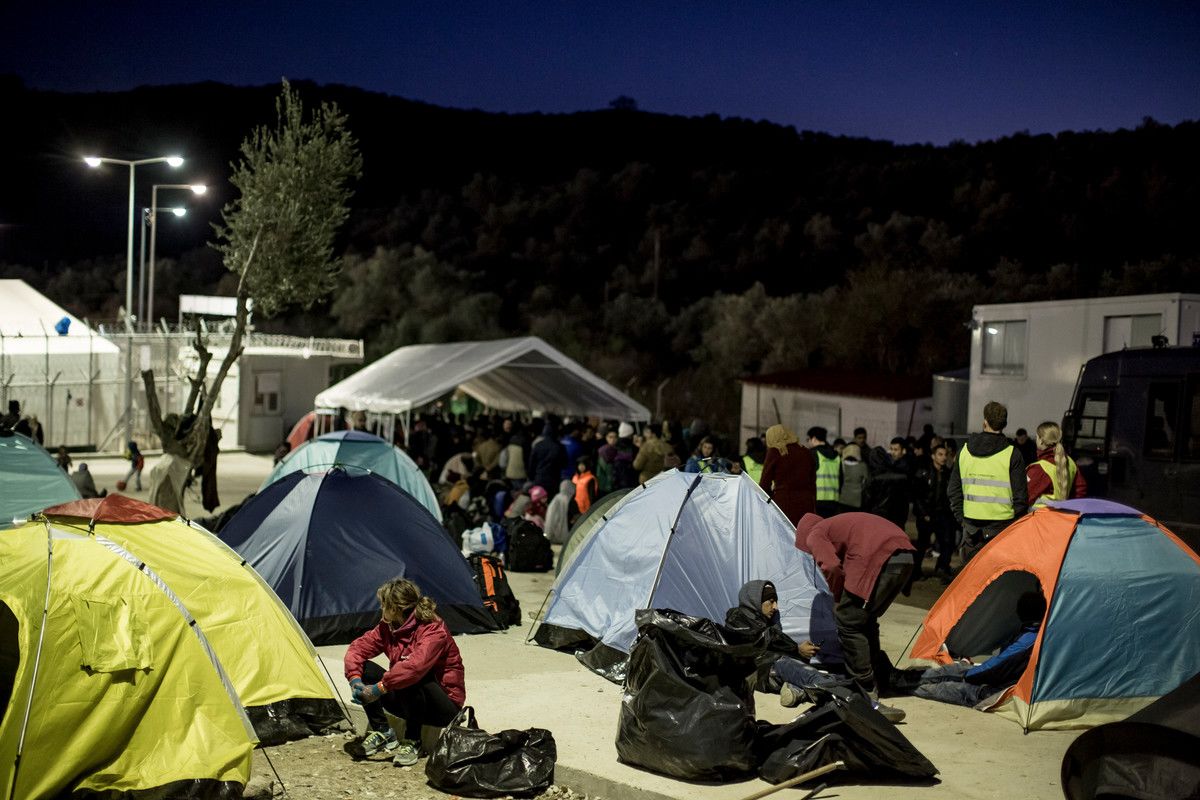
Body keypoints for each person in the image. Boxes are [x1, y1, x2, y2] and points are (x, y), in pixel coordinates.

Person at [795, 512, 914, 722]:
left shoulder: (815, 533)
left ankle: (864, 689)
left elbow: (831, 565)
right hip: (905, 557)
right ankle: (880, 677)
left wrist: (837, 597)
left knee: (848, 621)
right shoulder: (836, 526)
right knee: (864, 620)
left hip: (881, 559)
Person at [343, 578, 465, 766]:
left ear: (395, 608)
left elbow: (414, 668)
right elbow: (357, 649)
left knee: (410, 674)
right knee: (365, 669)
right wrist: (356, 681)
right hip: (410, 702)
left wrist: (378, 689)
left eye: (383, 605)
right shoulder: (388, 627)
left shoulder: (433, 629)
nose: (381, 609)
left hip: (443, 707)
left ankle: (413, 741)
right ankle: (383, 732)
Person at [723, 580, 850, 709]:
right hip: (753, 675)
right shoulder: (738, 620)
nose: (775, 607)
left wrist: (798, 652)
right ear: (755, 601)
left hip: (771, 672)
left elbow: (775, 642)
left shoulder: (765, 620)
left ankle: (796, 691)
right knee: (786, 664)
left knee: (791, 667)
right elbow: (768, 639)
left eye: (776, 602)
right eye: (771, 602)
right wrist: (797, 649)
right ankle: (829, 685)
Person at [913, 591, 1047, 708]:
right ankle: (906, 679)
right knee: (952, 670)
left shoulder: (1029, 640)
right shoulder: (1033, 633)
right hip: (999, 680)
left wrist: (968, 675)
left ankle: (905, 685)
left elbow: (996, 666)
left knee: (946, 686)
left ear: (1021, 612)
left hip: (997, 691)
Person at [948, 401, 1028, 563]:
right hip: (1001, 529)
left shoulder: (964, 451)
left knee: (970, 582)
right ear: (1004, 424)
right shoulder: (1012, 453)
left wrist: (962, 520)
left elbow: (953, 490)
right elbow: (1021, 497)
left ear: (985, 421)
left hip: (971, 529)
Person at [915, 444, 957, 582]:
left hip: (942, 514)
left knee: (947, 542)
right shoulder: (924, 472)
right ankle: (916, 570)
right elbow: (918, 495)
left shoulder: (948, 474)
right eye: (940, 454)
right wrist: (923, 513)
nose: (944, 457)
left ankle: (942, 568)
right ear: (933, 456)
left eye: (945, 454)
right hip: (927, 515)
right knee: (922, 544)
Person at [759, 424, 816, 525]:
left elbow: (764, 484)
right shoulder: (806, 452)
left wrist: (773, 498)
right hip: (806, 504)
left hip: (784, 502)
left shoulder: (776, 451)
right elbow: (812, 483)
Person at [1026, 421, 1087, 507]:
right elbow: (1080, 490)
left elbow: (1025, 498)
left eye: (1036, 437)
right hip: (1063, 517)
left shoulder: (1039, 469)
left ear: (1041, 441)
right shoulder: (1070, 462)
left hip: (1040, 518)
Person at [807, 426, 841, 518]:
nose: (808, 442)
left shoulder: (813, 454)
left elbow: (807, 478)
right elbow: (841, 479)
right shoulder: (837, 455)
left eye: (808, 439)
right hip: (834, 500)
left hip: (817, 500)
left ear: (813, 438)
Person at [838, 443, 868, 513]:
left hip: (843, 498)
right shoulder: (863, 466)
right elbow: (866, 482)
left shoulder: (841, 464)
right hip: (857, 499)